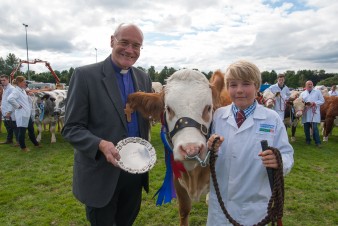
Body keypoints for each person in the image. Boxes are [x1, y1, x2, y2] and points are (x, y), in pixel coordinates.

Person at [61, 23, 152, 226]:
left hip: (134, 172)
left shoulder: (143, 78)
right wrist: (100, 144)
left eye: (136, 46)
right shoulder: (85, 76)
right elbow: (71, 128)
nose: (130, 50)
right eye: (124, 42)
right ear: (112, 41)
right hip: (101, 173)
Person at [206, 60, 294, 226]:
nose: (239, 90)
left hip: (255, 208)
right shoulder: (218, 116)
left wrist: (279, 161)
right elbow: (205, 158)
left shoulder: (272, 119)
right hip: (220, 207)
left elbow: (287, 154)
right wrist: (211, 148)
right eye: (233, 85)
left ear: (257, 86)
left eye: (246, 84)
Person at [7, 76, 40, 152]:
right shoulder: (16, 91)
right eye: (24, 82)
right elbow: (10, 99)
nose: (25, 83)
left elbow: (23, 100)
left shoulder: (22, 90)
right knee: (22, 131)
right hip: (22, 114)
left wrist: (28, 96)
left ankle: (36, 143)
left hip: (27, 114)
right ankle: (23, 147)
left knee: (31, 129)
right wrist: (17, 106)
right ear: (19, 83)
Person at [300, 80, 325, 147]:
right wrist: (305, 104)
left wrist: (314, 103)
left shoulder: (317, 92)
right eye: (308, 84)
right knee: (306, 128)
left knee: (314, 128)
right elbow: (300, 103)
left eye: (311, 84)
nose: (310, 85)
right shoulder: (302, 93)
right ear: (306, 86)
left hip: (314, 112)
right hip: (306, 113)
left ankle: (318, 142)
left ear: (313, 85)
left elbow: (322, 101)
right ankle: (308, 140)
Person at [0, 74, 18, 145]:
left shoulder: (11, 89)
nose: (2, 82)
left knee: (14, 127)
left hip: (10, 112)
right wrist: (1, 107)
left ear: (8, 80)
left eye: (4, 80)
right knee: (8, 127)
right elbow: (4, 100)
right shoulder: (5, 88)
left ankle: (18, 141)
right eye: (1, 80)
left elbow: (13, 101)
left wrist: (9, 111)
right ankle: (9, 140)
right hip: (4, 111)